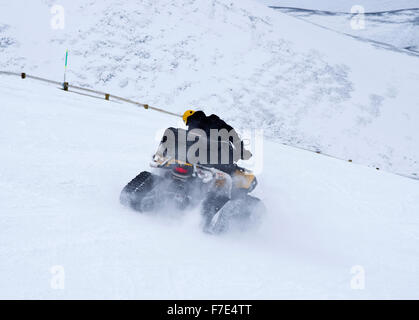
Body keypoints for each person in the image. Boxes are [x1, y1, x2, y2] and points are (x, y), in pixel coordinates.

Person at [182, 110, 252, 171]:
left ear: (187, 120)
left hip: (202, 160)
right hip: (223, 158)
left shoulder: (192, 127)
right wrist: (242, 151)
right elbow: (232, 134)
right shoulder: (214, 120)